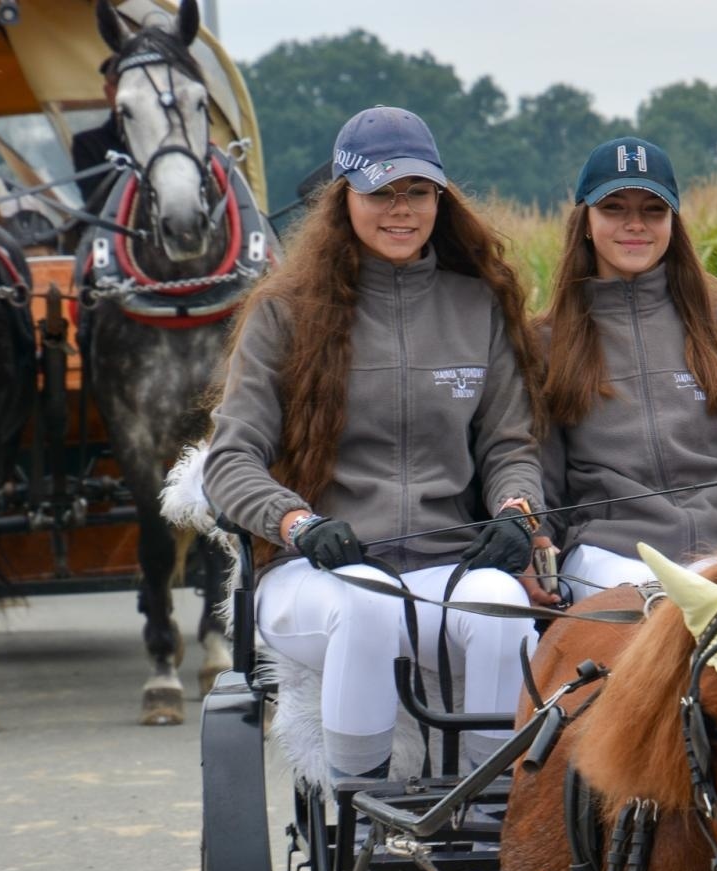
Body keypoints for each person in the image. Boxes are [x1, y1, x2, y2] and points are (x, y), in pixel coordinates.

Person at [203, 106, 544, 787]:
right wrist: (299, 524)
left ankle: (483, 814)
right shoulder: (283, 312)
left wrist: (516, 509)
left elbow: (513, 444)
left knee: (504, 610)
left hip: (446, 565)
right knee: (366, 607)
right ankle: (365, 820)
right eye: (381, 192)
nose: (401, 209)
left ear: (439, 201)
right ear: (344, 199)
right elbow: (229, 462)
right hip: (320, 574)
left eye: (417, 192)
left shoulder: (478, 306)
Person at [534, 136, 717, 600]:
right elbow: (545, 488)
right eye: (614, 208)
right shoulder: (546, 342)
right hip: (608, 558)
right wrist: (537, 561)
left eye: (653, 211)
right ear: (586, 223)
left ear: (673, 222)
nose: (635, 225)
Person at [70, 57, 129, 206]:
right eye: (119, 85)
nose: (126, 93)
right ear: (108, 92)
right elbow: (96, 202)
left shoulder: (171, 136)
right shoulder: (88, 144)